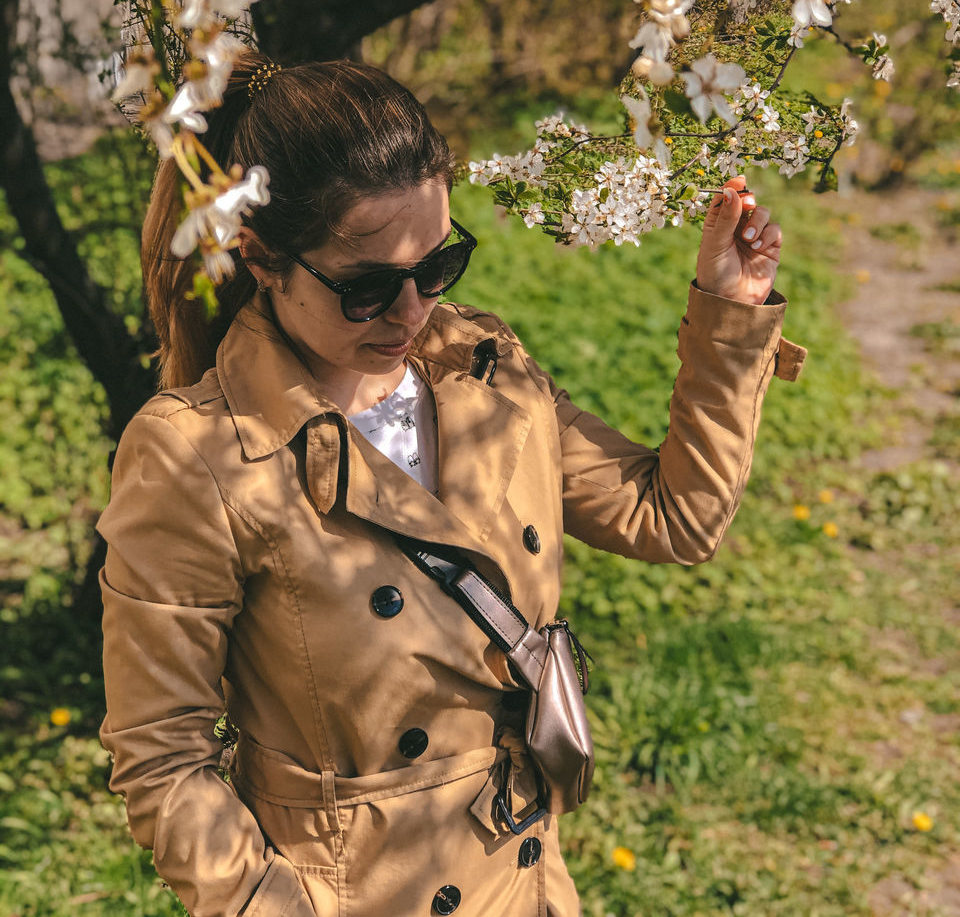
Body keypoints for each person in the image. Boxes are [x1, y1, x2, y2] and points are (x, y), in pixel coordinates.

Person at [99, 53, 806, 917]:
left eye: (437, 266)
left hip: (524, 883)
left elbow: (674, 518)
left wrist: (729, 315)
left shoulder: (484, 373)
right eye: (366, 289)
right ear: (261, 257)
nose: (411, 312)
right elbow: (160, 754)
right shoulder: (200, 453)